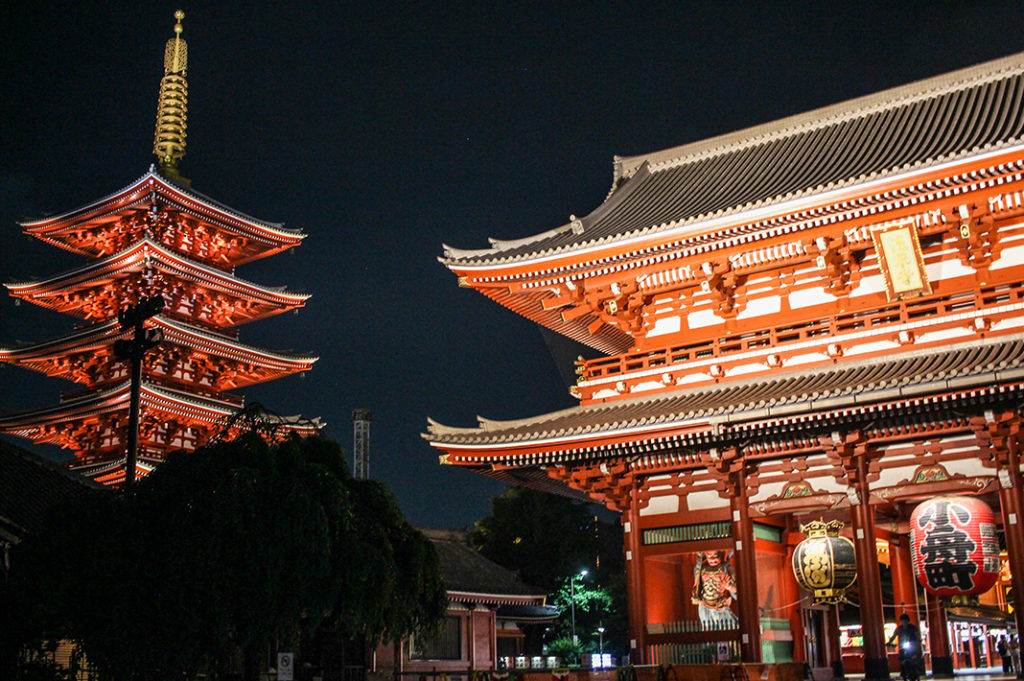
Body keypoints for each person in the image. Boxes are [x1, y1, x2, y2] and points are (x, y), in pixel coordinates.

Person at [887, 614, 922, 681]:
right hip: (902, 646)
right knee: (901, 659)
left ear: (908, 621)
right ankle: (903, 672)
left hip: (911, 645)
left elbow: (917, 634)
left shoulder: (912, 627)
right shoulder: (899, 629)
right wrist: (889, 642)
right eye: (902, 621)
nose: (904, 622)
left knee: (914, 657)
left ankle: (916, 671)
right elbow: (894, 636)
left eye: (905, 621)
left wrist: (918, 640)